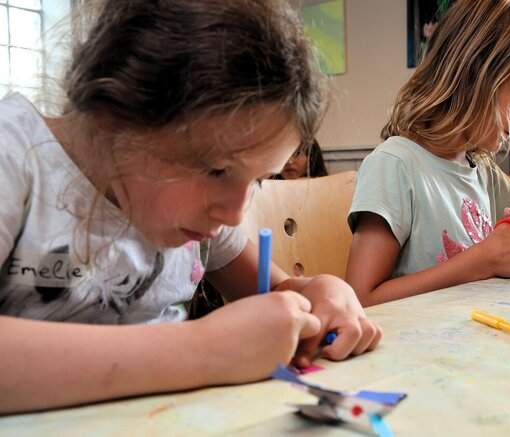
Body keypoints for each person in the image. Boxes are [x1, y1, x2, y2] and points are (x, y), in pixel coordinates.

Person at [0, 0, 381, 414]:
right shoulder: (14, 154)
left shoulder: (200, 214)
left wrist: (319, 293)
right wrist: (207, 350)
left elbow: (277, 292)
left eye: (257, 180)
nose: (235, 215)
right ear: (113, 112)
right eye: (216, 170)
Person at [345, 0, 510, 307]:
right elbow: (361, 298)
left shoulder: (479, 167)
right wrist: (483, 261)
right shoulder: (395, 165)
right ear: (473, 77)